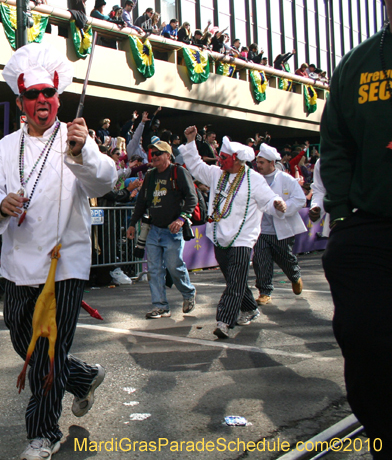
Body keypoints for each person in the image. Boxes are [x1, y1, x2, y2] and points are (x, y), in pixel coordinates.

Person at [0, 43, 117, 460]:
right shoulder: (5, 147)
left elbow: (105, 182)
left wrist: (84, 152)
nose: (42, 100)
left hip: (65, 264)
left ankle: (43, 433)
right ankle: (84, 375)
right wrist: (0, 204)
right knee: (26, 341)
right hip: (19, 265)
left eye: (48, 94)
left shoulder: (74, 140)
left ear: (58, 97)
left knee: (47, 353)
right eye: (33, 94)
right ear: (21, 101)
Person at [319, 0, 392, 454]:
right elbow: (336, 144)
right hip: (370, 226)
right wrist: (343, 214)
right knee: (364, 338)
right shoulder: (356, 66)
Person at [178, 130, 285, 339]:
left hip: (243, 239)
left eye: (224, 158)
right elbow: (197, 166)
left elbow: (268, 199)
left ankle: (224, 321)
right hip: (220, 237)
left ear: (237, 160)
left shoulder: (254, 179)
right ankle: (251, 308)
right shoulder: (217, 174)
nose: (220, 160)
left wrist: (277, 203)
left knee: (235, 281)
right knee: (234, 279)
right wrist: (191, 142)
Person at [127, 140, 197, 319]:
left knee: (174, 267)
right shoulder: (150, 175)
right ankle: (160, 306)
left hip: (172, 231)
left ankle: (188, 293)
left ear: (168, 155)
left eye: (159, 153)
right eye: (152, 153)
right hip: (153, 229)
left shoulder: (178, 172)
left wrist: (181, 219)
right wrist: (132, 224)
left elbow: (191, 199)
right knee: (154, 270)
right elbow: (142, 201)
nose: (155, 156)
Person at [251, 145, 307, 305]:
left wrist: (284, 207)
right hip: (261, 230)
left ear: (271, 163)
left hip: (281, 231)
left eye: (262, 162)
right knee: (260, 260)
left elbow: (300, 199)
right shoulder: (255, 180)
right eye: (257, 162)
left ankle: (295, 276)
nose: (259, 165)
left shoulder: (285, 179)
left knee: (286, 259)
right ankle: (264, 291)